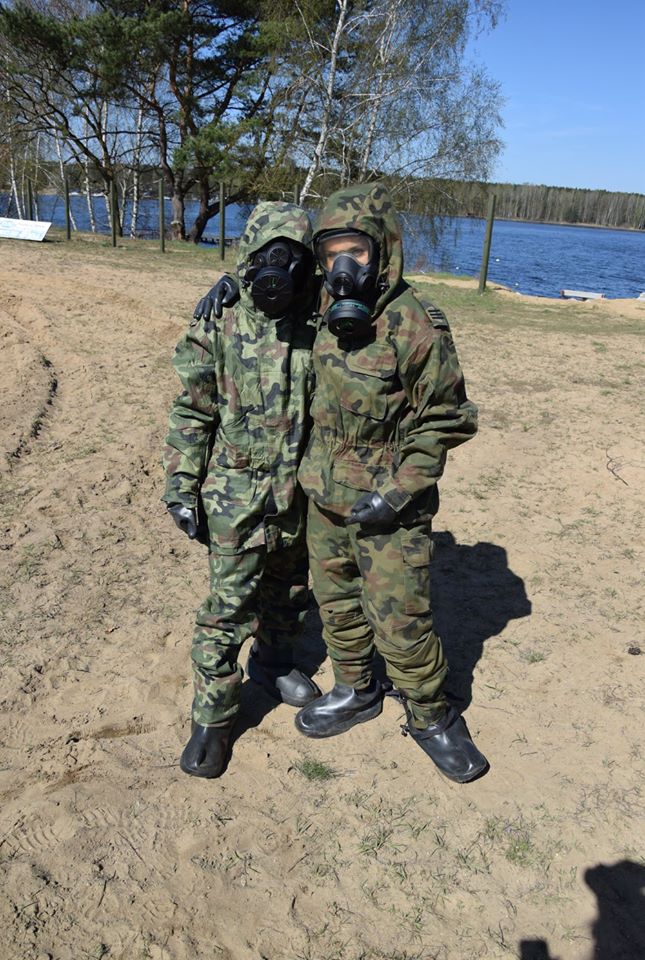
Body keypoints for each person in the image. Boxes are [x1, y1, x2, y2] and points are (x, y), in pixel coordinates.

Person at [293, 182, 488, 783]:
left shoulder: (415, 324)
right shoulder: (318, 307)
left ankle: (432, 716)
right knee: (337, 605)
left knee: (401, 620)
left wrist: (396, 493)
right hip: (324, 497)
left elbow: (446, 419)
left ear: (383, 251)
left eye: (355, 251)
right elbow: (265, 291)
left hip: (390, 508)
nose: (342, 268)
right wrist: (228, 289)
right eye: (331, 254)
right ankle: (355, 689)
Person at [162, 201, 321, 779]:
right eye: (267, 254)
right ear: (249, 256)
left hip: (298, 492)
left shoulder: (321, 315)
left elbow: (373, 287)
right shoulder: (219, 319)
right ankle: (212, 718)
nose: (279, 266)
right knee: (227, 608)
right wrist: (181, 486)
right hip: (236, 493)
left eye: (293, 256)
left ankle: (274, 663)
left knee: (289, 589)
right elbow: (192, 410)